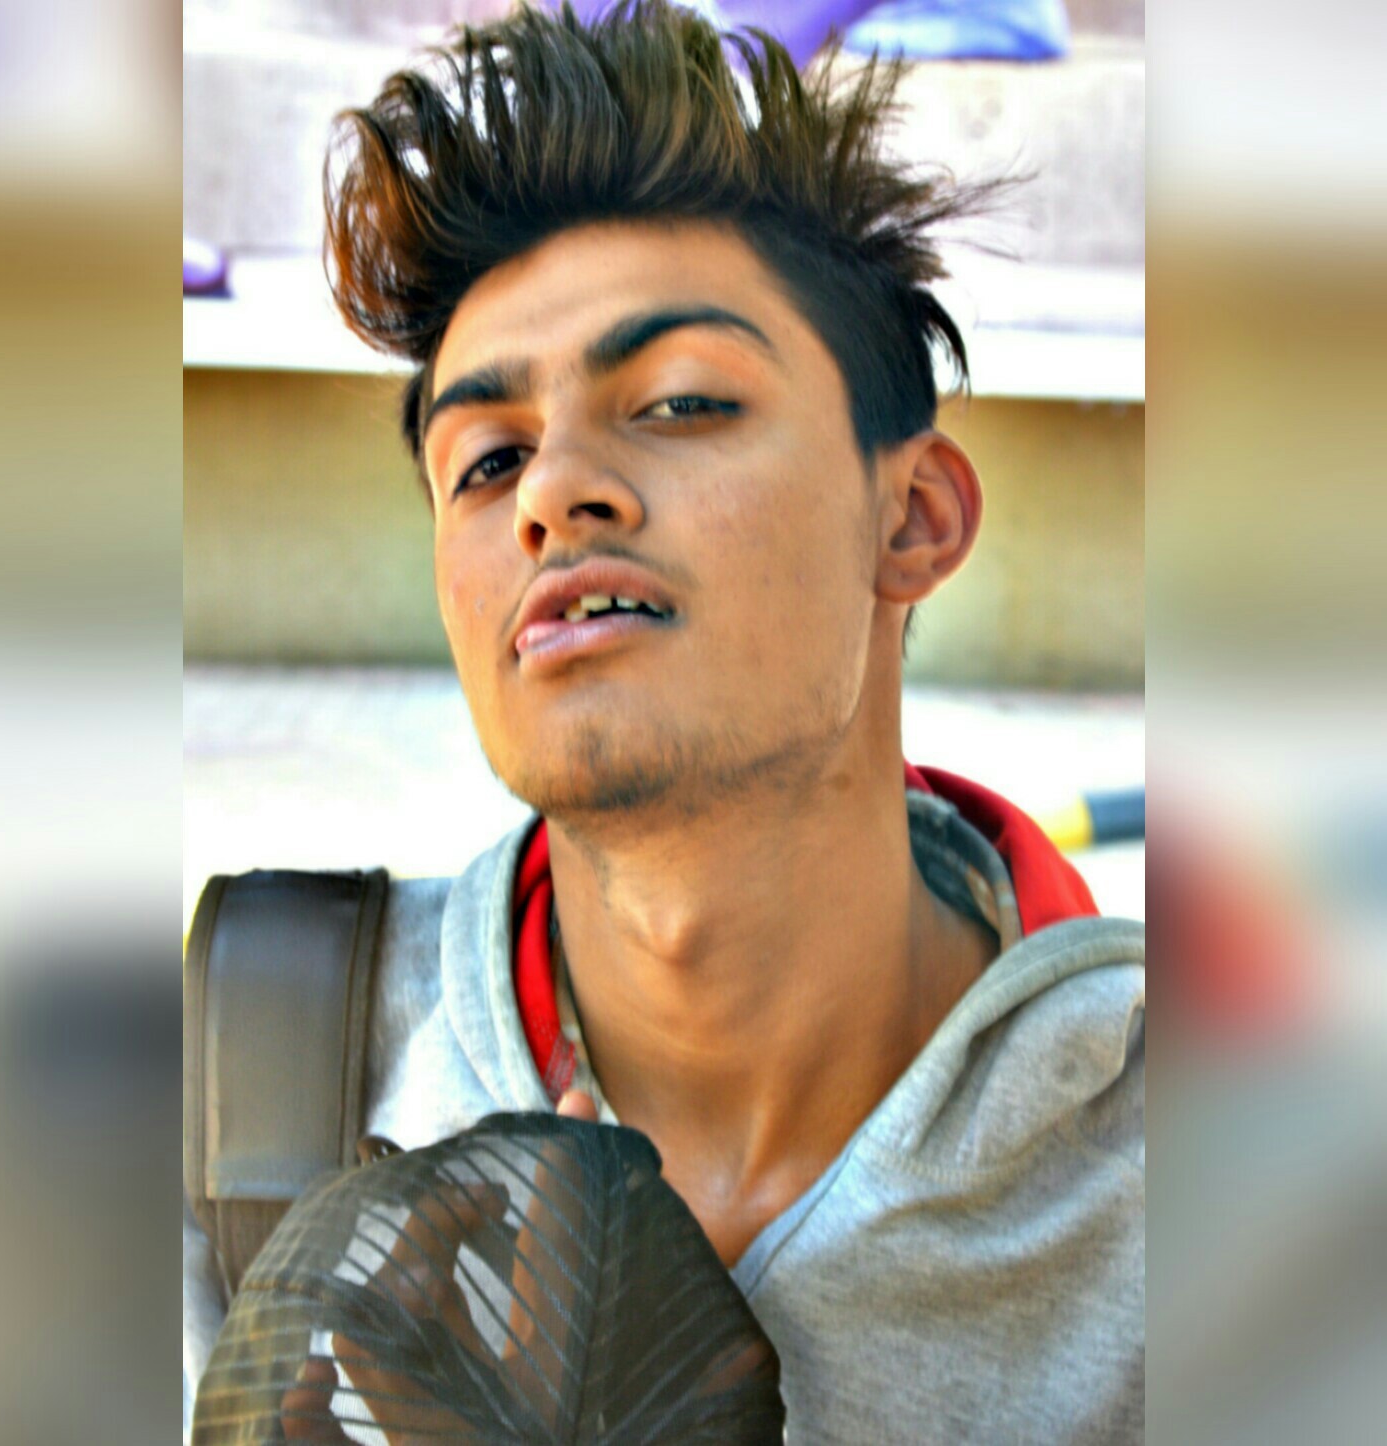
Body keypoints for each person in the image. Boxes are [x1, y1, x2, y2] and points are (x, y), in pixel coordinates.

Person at [183, 2, 1144, 1440]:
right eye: (485, 458)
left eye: (682, 403)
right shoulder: (248, 1075)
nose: (550, 490)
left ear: (912, 516)